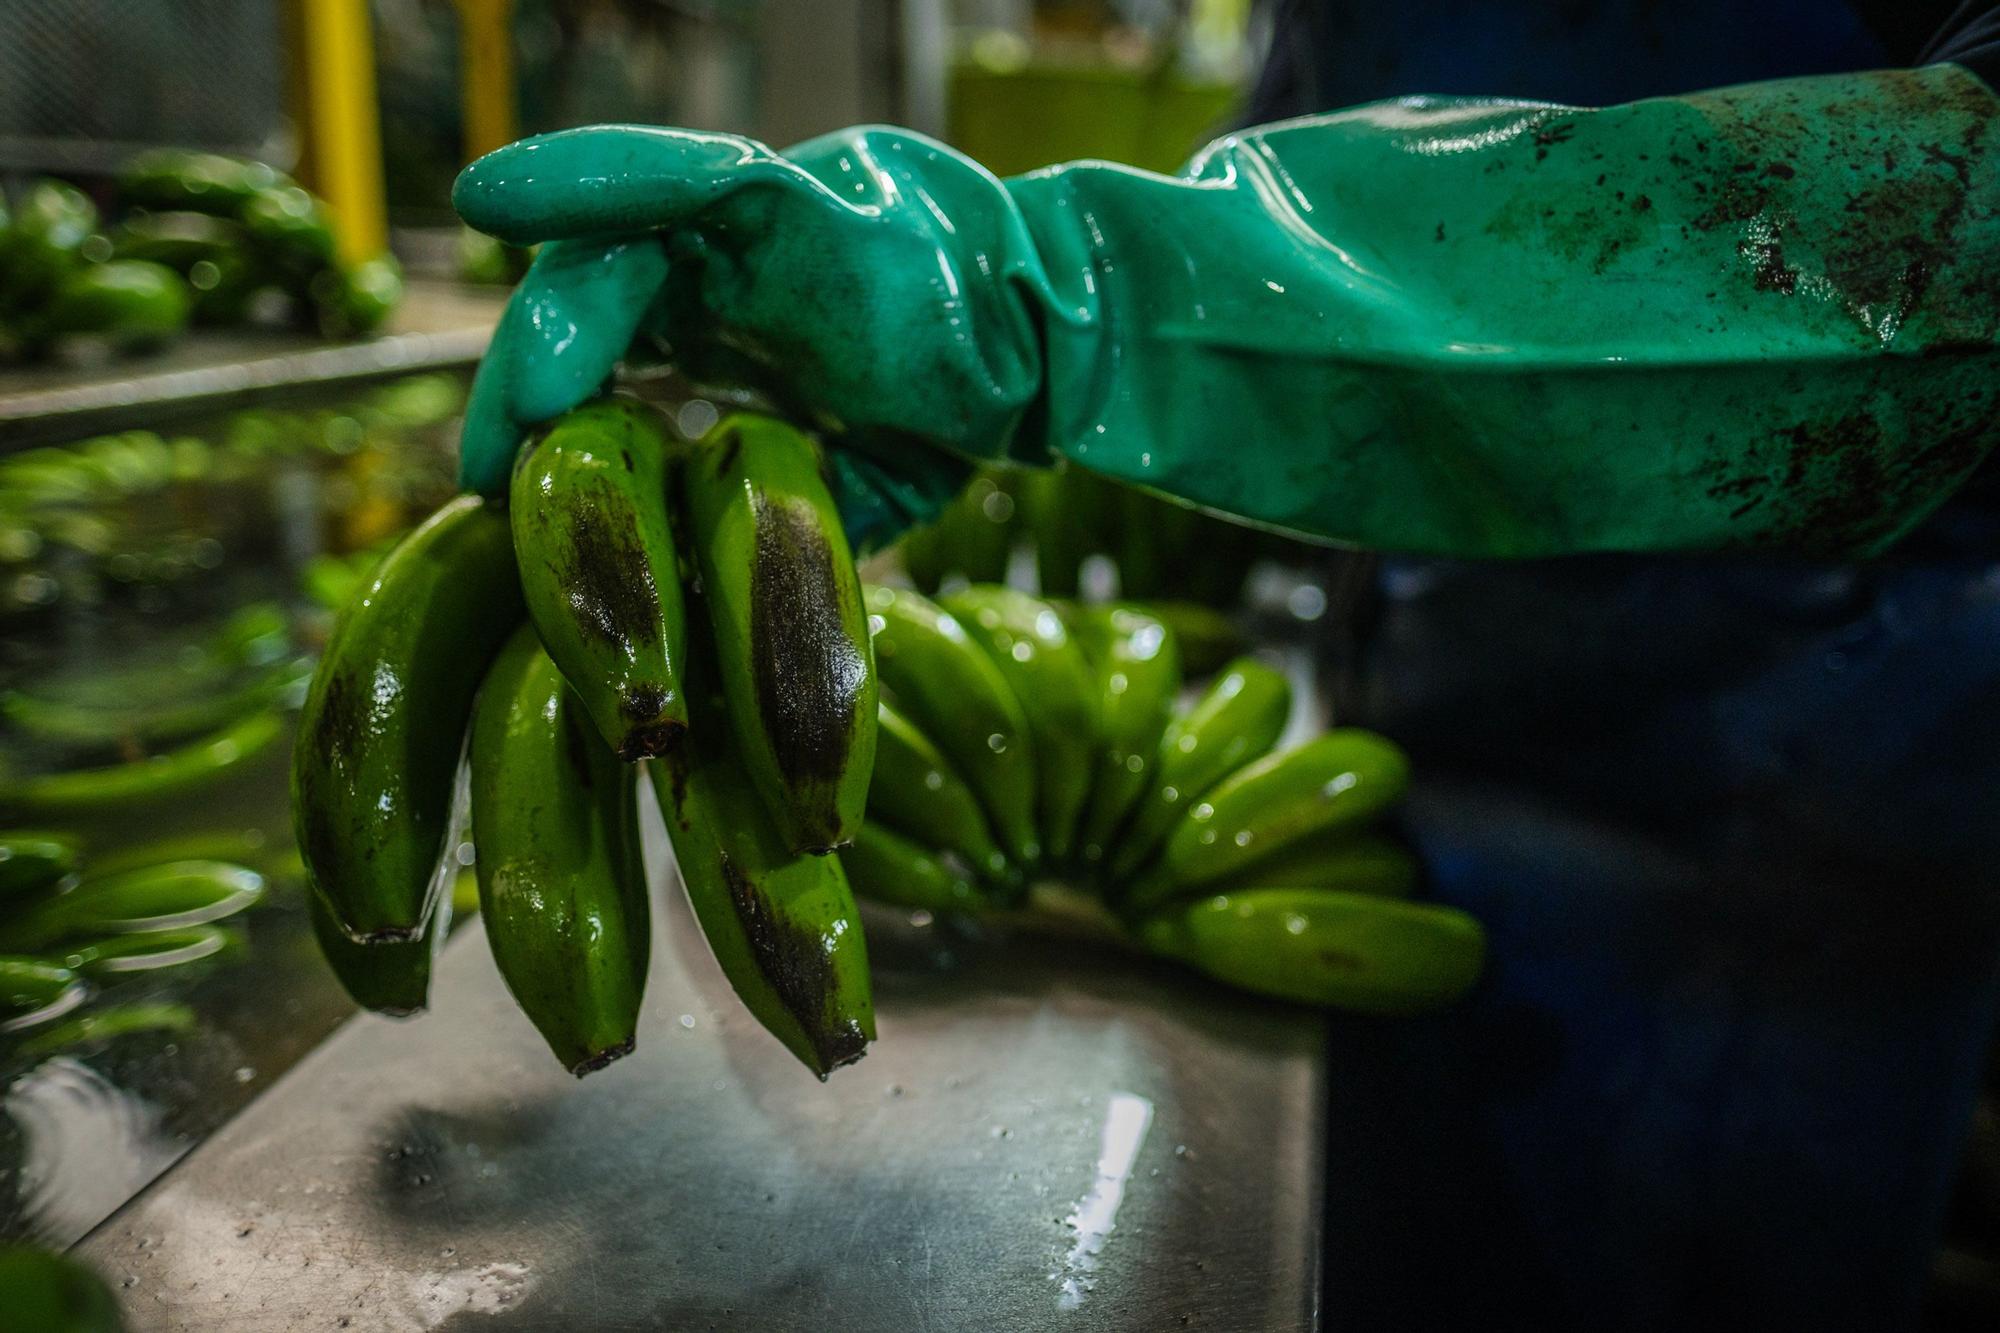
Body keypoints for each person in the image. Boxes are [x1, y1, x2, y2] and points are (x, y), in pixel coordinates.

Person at [450, 5, 2000, 1325]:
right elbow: (1323, 106)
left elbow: (1967, 215)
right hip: (1439, 644)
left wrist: (1076, 295)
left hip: (1804, 716)